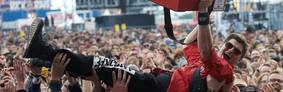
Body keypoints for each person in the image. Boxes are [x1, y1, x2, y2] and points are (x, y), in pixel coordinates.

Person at [22, 0, 248, 92]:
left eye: (236, 52)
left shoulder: (225, 73)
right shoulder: (204, 64)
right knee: (97, 67)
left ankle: (44, 52)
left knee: (99, 64)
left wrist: (202, 16)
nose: (230, 51)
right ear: (223, 44)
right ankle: (43, 58)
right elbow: (191, 42)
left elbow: (208, 50)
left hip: (152, 87)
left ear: (239, 60)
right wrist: (206, 12)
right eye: (229, 45)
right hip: (151, 83)